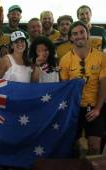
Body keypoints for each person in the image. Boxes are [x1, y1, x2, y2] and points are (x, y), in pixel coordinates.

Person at [59, 21, 106, 156]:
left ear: (88, 34)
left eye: (82, 32)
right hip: (74, 108)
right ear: (71, 38)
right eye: (75, 34)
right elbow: (64, 88)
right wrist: (70, 84)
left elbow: (104, 84)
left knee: (94, 147)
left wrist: (98, 108)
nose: (79, 36)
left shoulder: (101, 57)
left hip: (96, 106)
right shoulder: (65, 60)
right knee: (71, 145)